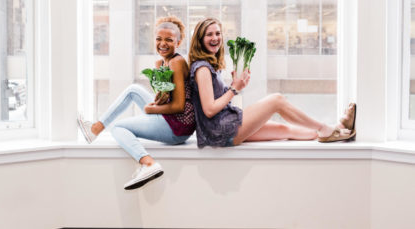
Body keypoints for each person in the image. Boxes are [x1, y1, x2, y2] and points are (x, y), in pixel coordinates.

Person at [188, 17, 356, 148]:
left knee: (284, 130)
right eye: (209, 34)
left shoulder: (209, 66)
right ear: (200, 39)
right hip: (220, 129)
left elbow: (217, 102)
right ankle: (325, 129)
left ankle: (337, 129)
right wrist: (234, 88)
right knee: (277, 100)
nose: (215, 38)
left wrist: (236, 85)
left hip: (224, 126)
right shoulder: (202, 68)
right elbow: (209, 110)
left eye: (218, 33)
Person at [77, 16, 195, 189]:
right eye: (159, 39)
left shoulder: (177, 62)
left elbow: (178, 106)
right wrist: (157, 101)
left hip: (178, 127)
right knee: (134, 90)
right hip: (171, 120)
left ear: (178, 42)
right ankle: (95, 129)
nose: (163, 43)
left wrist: (151, 109)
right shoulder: (161, 63)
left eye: (169, 40)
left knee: (118, 128)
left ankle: (148, 164)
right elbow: (164, 98)